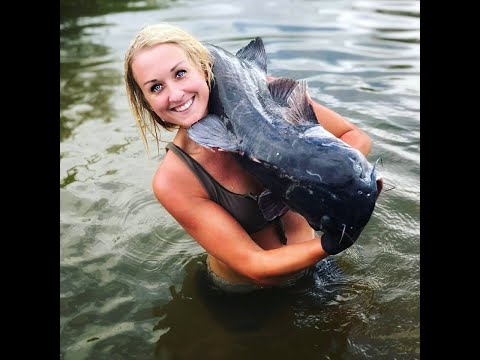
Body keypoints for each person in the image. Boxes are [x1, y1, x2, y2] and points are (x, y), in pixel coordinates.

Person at [124, 23, 374, 293]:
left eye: (181, 73)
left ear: (203, 68)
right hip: (246, 297)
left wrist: (333, 179)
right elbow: (255, 266)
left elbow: (354, 136)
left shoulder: (265, 97)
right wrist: (334, 243)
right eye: (156, 87)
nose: (175, 94)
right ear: (146, 101)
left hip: (316, 264)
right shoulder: (172, 180)